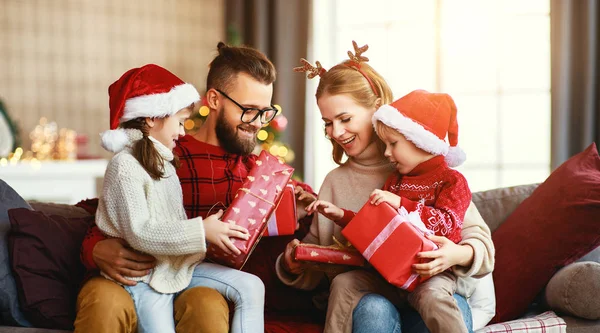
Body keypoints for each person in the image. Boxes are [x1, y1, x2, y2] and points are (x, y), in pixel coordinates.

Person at [76, 42, 316, 333]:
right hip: (137, 275)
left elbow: (307, 220)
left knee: (207, 305)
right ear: (214, 100)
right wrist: (95, 249)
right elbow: (103, 210)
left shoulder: (262, 174)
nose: (258, 123)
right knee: (104, 302)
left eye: (265, 112)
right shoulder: (164, 156)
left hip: (199, 280)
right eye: (248, 110)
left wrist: (303, 209)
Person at [277, 41, 495, 333]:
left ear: (377, 108)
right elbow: (324, 259)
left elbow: (477, 242)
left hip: (433, 292)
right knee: (371, 306)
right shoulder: (336, 182)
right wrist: (292, 264)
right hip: (374, 295)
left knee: (436, 301)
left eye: (345, 118)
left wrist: (458, 254)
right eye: (327, 123)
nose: (336, 132)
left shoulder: (425, 167)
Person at [93, 64, 265, 333]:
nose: (183, 132)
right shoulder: (125, 165)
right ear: (152, 117)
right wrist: (201, 230)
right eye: (180, 122)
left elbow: (171, 224)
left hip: (177, 266)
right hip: (145, 276)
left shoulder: (164, 163)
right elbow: (140, 232)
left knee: (251, 286)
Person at [307, 89, 473, 332]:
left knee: (436, 299)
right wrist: (340, 215)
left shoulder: (452, 181)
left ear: (420, 141)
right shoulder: (395, 181)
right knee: (345, 282)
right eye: (385, 144)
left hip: (430, 277)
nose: (387, 153)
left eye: (393, 144)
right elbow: (376, 224)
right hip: (389, 277)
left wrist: (401, 203)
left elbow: (447, 224)